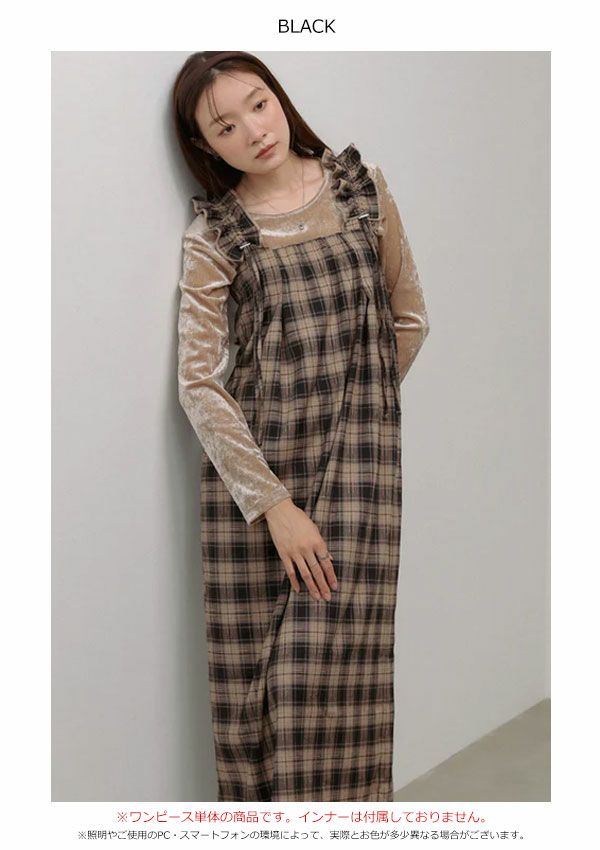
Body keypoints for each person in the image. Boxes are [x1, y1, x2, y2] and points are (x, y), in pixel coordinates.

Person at [172, 50, 430, 802]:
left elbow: (408, 319)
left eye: (258, 104)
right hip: (255, 496)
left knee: (346, 685)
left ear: (278, 99)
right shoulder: (216, 235)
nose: (253, 130)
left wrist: (358, 419)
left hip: (357, 478)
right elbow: (199, 382)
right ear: (205, 145)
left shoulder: (361, 190)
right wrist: (275, 505)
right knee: (259, 697)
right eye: (225, 126)